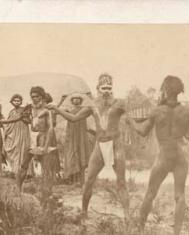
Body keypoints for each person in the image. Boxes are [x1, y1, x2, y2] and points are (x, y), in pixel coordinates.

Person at [48, 73, 130, 221]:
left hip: (116, 145)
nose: (106, 91)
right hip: (100, 145)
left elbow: (131, 116)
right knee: (89, 180)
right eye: (103, 88)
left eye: (109, 88)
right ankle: (84, 212)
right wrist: (56, 109)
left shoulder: (119, 103)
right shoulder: (93, 105)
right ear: (98, 89)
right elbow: (74, 118)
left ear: (112, 89)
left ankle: (128, 216)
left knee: (121, 182)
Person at [126, 75, 189, 235]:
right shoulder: (186, 111)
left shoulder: (157, 111)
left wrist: (131, 121)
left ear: (165, 90)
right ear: (179, 91)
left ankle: (140, 231)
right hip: (179, 155)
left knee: (150, 193)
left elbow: (142, 131)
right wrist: (178, 132)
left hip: (164, 154)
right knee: (180, 196)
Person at [16, 86, 59, 194]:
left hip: (44, 138)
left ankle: (47, 192)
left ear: (42, 96)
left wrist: (45, 146)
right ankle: (18, 189)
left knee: (46, 167)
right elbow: (21, 118)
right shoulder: (30, 108)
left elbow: (50, 128)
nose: (34, 99)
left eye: (37, 96)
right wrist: (3, 122)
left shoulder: (47, 109)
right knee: (24, 164)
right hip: (32, 138)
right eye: (32, 97)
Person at [60, 93, 93, 184]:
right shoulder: (68, 110)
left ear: (81, 100)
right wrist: (61, 101)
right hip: (71, 134)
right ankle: (70, 177)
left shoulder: (84, 109)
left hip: (81, 134)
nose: (76, 100)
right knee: (71, 153)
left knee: (81, 152)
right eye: (74, 99)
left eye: (78, 99)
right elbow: (57, 111)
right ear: (72, 101)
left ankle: (80, 179)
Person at [0, 94, 32, 177]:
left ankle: (26, 173)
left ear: (21, 102)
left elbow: (29, 120)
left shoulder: (24, 110)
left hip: (22, 132)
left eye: (18, 101)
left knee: (23, 150)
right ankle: (16, 171)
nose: (17, 102)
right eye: (15, 101)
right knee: (15, 151)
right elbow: (9, 122)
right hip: (13, 133)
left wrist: (24, 117)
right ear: (12, 102)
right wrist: (3, 125)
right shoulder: (11, 112)